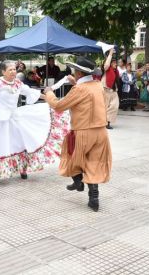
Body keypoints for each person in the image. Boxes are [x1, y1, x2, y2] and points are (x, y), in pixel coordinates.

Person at [0, 60, 70, 183]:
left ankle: (23, 169)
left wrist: (50, 98)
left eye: (14, 69)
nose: (13, 71)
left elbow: (31, 92)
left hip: (15, 117)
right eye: (10, 69)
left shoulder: (17, 83)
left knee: (20, 142)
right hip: (0, 119)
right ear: (3, 71)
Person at [43, 56, 112, 212]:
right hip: (101, 131)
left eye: (75, 71)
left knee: (72, 157)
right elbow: (87, 93)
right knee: (94, 162)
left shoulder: (79, 89)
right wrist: (75, 83)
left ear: (79, 73)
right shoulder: (98, 85)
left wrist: (48, 93)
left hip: (83, 131)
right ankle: (94, 198)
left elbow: (59, 106)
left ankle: (78, 181)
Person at [99, 49, 119, 129]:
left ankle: (108, 121)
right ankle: (106, 122)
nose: (116, 64)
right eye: (114, 63)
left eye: (116, 63)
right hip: (105, 90)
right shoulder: (107, 69)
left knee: (114, 106)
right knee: (105, 106)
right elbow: (106, 64)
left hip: (113, 91)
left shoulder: (115, 71)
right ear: (110, 64)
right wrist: (110, 54)